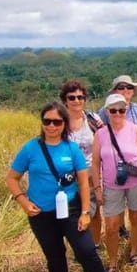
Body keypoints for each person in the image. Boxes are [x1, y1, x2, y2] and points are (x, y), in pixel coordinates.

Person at [5, 102, 109, 272]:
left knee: (86, 250)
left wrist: (86, 212)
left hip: (71, 209)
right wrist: (23, 202)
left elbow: (82, 182)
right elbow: (12, 178)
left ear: (64, 124)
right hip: (41, 213)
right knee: (54, 254)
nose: (51, 126)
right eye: (47, 121)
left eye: (57, 122)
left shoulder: (71, 149)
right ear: (42, 122)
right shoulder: (30, 148)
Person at [91, 94, 137, 272]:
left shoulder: (135, 130)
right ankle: (112, 263)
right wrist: (97, 188)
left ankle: (134, 253)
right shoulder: (100, 134)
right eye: (113, 110)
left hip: (135, 183)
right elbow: (95, 163)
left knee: (136, 218)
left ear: (126, 111)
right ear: (107, 112)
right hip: (111, 186)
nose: (118, 113)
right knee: (111, 226)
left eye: (121, 110)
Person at [97, 74, 137, 239]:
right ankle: (121, 229)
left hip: (135, 167)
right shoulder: (104, 115)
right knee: (114, 217)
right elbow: (98, 131)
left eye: (129, 87)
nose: (126, 90)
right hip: (113, 167)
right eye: (121, 87)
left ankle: (135, 243)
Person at [60, 80, 105, 248]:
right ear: (65, 100)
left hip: (91, 170)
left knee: (93, 211)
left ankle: (95, 244)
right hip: (68, 173)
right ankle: (78, 245)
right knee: (71, 211)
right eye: (72, 97)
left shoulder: (93, 119)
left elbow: (104, 140)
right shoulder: (60, 122)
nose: (77, 101)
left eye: (80, 97)